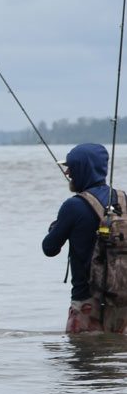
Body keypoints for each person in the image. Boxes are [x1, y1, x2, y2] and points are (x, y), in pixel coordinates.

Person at [42, 142, 126, 334]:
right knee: (114, 360)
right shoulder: (123, 199)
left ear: (82, 169)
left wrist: (55, 227)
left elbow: (49, 248)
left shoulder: (73, 206)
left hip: (87, 302)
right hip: (122, 301)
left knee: (83, 361)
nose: (68, 173)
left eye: (70, 167)